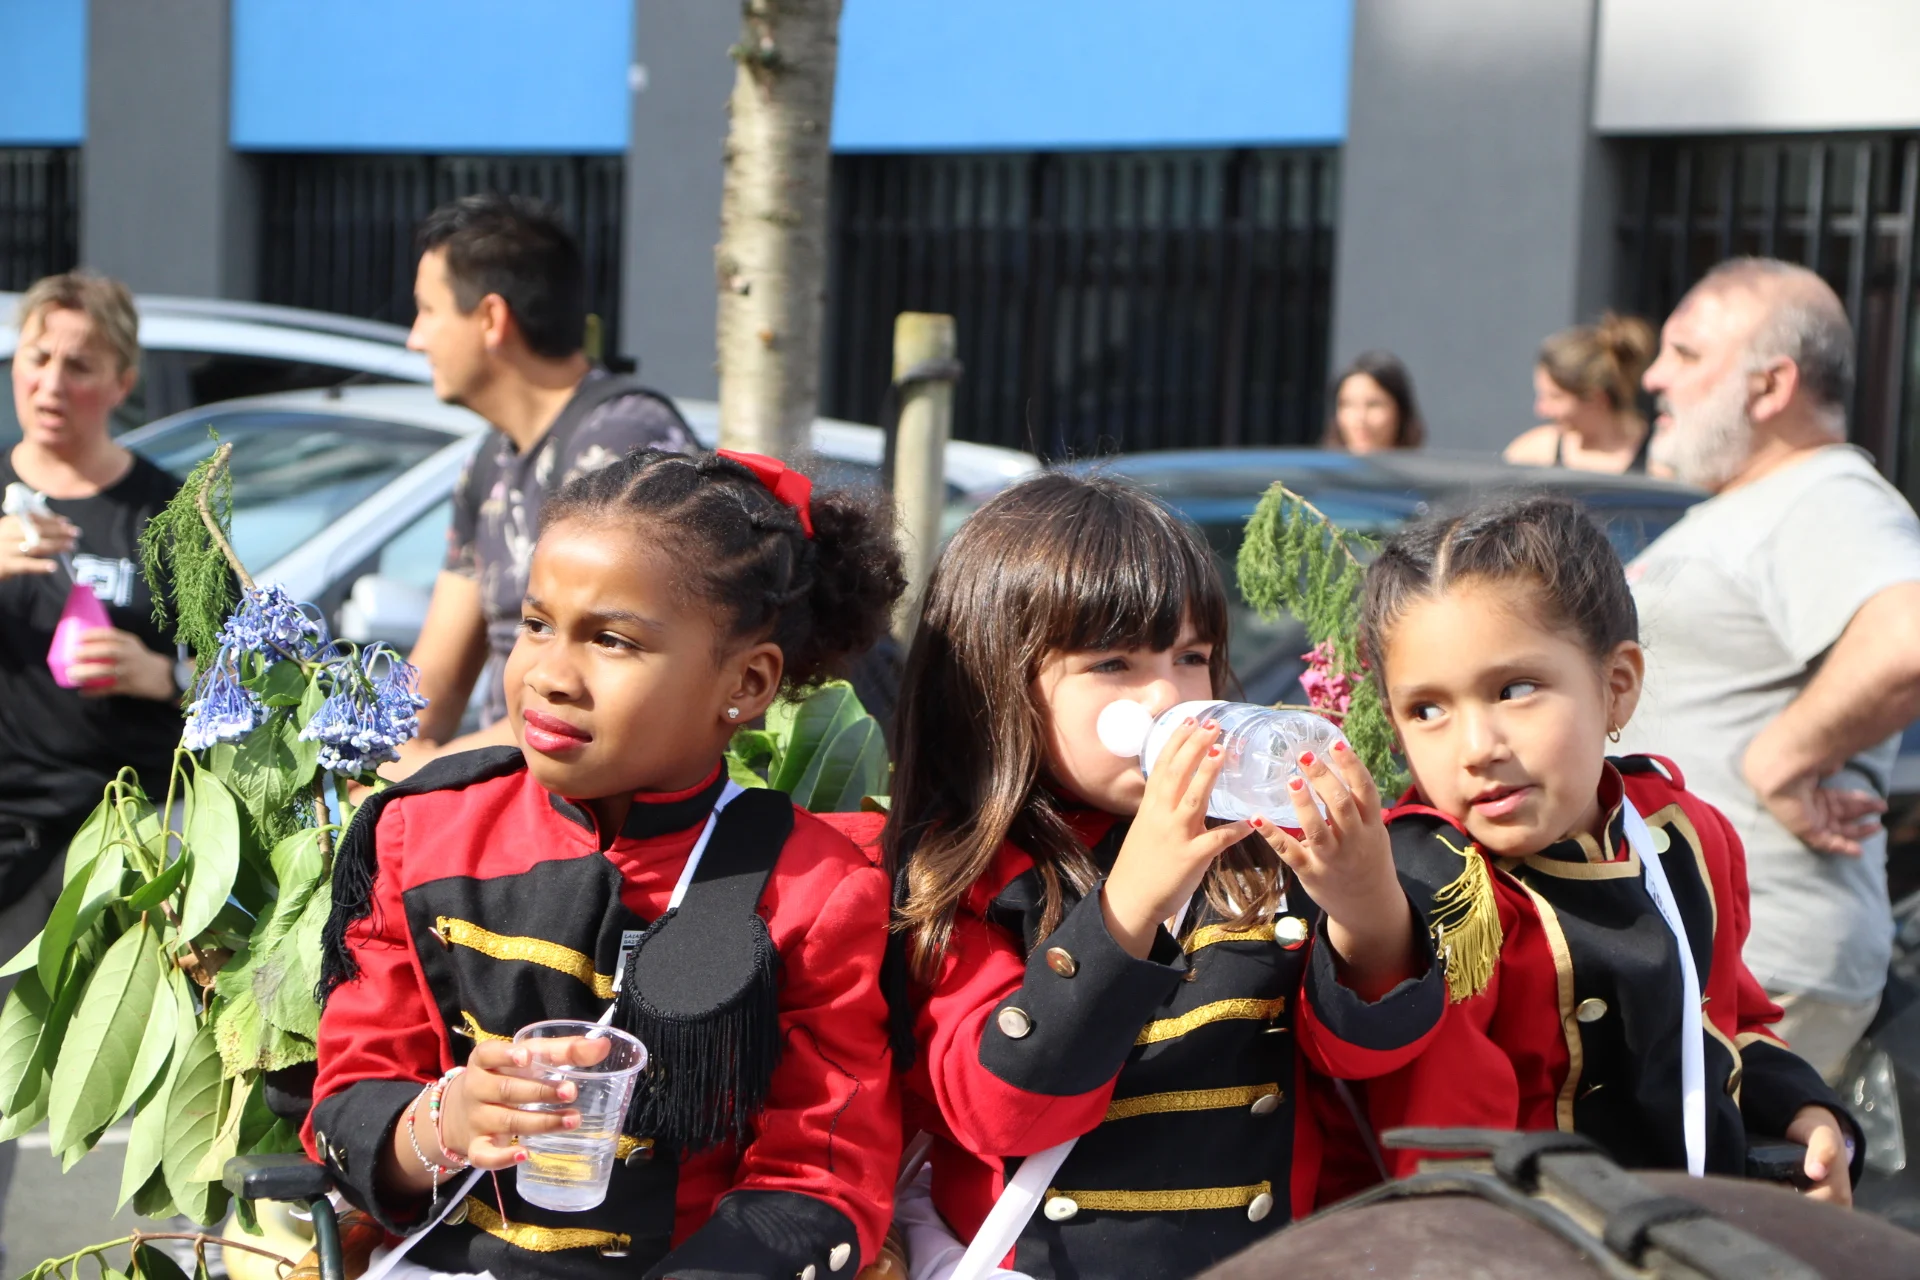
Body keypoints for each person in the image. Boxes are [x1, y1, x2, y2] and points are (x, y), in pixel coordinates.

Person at [307, 449, 907, 1278]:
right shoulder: (421, 832)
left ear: (747, 681)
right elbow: (347, 1103)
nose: (549, 675)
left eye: (613, 640)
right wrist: (448, 1120)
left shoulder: (811, 888)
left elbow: (823, 1172)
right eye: (536, 624)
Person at [874, 473, 1445, 1278]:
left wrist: (1369, 909)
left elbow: (1366, 1059)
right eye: (1113, 662)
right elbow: (1001, 1113)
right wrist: (1129, 903)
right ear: (996, 685)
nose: (1171, 698)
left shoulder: (1259, 846)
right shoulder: (961, 871)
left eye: (1192, 657)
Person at [1345, 494, 1858, 1203]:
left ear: (1616, 687)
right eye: (1426, 710)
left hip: (1702, 1228)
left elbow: (1727, 1022)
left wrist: (1806, 1115)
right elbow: (1449, 1153)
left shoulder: (1686, 835)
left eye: (1515, 689)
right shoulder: (1430, 887)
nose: (1476, 748)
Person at [1620, 258, 1920, 1082]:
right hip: (1707, 948)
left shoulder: (1827, 492)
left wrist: (1781, 759)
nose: (1655, 376)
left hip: (1748, 959)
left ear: (1771, 385)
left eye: (1686, 353)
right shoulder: (1768, 501)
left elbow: (1907, 637)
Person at [0, 271, 190, 1264]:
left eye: (80, 364)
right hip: (9, 831)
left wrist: (163, 673)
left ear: (121, 379)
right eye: (37, 357)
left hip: (128, 833)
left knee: (152, 1074)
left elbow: (238, 672)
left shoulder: (163, 510)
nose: (51, 381)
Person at [388, 193, 694, 778]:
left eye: (427, 311)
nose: (415, 338)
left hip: (589, 796)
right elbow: (433, 680)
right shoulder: (490, 460)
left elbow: (599, 687)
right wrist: (367, 751)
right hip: (504, 780)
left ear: (491, 319)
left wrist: (425, 772)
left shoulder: (622, 442)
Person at [1503, 312, 1660, 474]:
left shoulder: (1658, 460)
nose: (1541, 410)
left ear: (1598, 399)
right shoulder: (1532, 455)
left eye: (1555, 397)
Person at [1323, 351, 1425, 453]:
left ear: (1401, 411)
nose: (1360, 418)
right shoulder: (1322, 462)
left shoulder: (1422, 462)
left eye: (1373, 405)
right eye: (1348, 404)